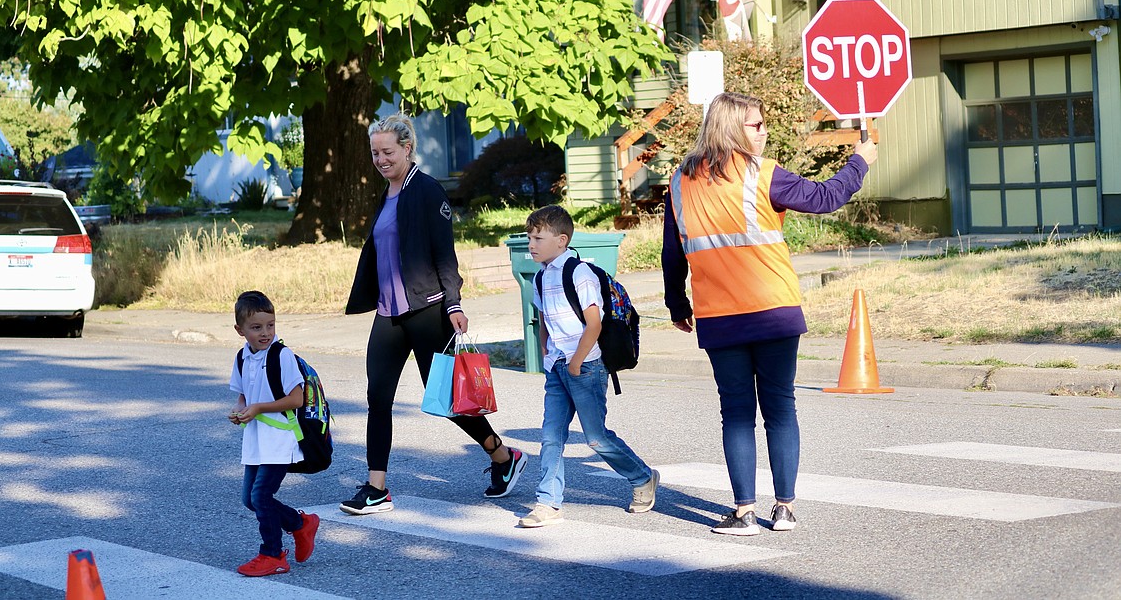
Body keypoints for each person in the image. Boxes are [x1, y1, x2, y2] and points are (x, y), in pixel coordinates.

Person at [662, 92, 878, 536]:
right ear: (733, 129)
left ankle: (743, 512)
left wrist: (677, 305)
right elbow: (826, 197)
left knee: (737, 413)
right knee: (780, 407)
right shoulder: (762, 174)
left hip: (719, 316)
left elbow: (673, 253)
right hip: (774, 309)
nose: (765, 131)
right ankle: (784, 509)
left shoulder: (680, 182)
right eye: (756, 125)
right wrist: (860, 161)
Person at [343, 113, 526, 514]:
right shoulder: (386, 193)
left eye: (388, 152)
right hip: (389, 313)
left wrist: (454, 303)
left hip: (427, 310)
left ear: (407, 149)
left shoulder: (427, 191)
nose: (381, 159)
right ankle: (377, 488)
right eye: (375, 153)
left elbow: (446, 253)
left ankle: (501, 455)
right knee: (378, 397)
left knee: (446, 398)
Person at [518, 205, 659, 528]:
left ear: (562, 240)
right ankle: (548, 503)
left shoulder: (578, 272)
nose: (532, 244)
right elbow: (542, 319)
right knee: (551, 437)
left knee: (595, 438)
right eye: (529, 237)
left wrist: (577, 362)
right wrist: (546, 354)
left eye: (538, 237)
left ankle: (642, 477)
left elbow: (593, 323)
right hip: (557, 367)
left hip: (586, 366)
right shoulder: (540, 277)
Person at [229, 290, 320, 576]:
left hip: (280, 439)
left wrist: (258, 408)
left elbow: (296, 399)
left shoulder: (282, 356)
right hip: (256, 439)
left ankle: (273, 555)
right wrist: (241, 409)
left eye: (270, 325)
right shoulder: (243, 357)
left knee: (261, 496)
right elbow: (244, 395)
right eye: (256, 328)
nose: (265, 333)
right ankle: (300, 524)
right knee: (250, 499)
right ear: (240, 330)